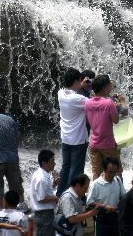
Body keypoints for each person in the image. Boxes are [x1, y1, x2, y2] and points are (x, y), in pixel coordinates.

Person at [57, 68, 90, 196]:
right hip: (78, 139)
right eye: (80, 80)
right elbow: (95, 103)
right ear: (76, 81)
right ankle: (72, 196)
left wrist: (80, 86)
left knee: (65, 168)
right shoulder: (78, 99)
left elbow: (72, 91)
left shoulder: (60, 93)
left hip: (66, 138)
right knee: (76, 170)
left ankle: (60, 193)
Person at [85, 75, 124, 179]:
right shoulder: (108, 103)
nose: (111, 87)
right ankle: (120, 193)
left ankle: (96, 193)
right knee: (117, 171)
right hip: (107, 144)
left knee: (96, 173)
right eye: (109, 85)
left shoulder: (88, 103)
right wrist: (122, 103)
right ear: (104, 88)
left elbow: (98, 107)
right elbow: (116, 120)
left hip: (93, 143)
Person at [86, 157, 125, 236]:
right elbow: (89, 202)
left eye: (115, 172)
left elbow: (123, 197)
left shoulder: (117, 180)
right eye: (110, 172)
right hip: (101, 218)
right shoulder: (96, 184)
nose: (112, 175)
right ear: (104, 169)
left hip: (115, 217)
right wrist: (105, 207)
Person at [30, 149, 59, 236]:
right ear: (44, 163)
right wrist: (56, 198)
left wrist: (53, 184)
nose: (54, 163)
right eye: (52, 161)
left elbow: (44, 192)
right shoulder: (42, 178)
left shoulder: (40, 174)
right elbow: (41, 199)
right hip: (44, 214)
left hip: (42, 214)